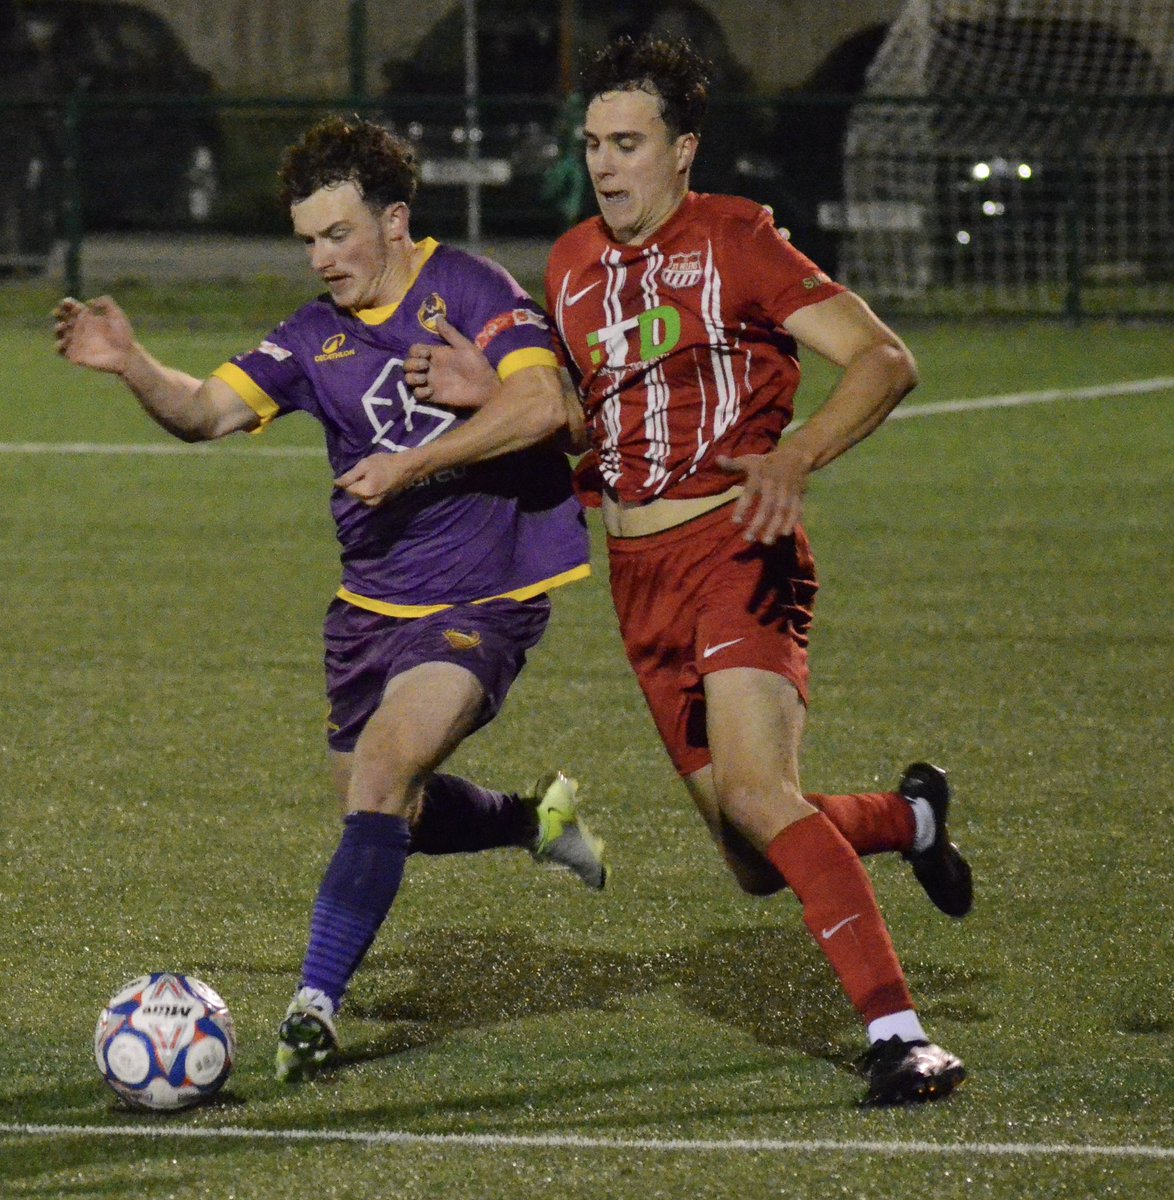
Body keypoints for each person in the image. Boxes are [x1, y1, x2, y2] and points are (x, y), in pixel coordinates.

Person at [402, 37, 973, 1106]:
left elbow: (884, 358)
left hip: (734, 548)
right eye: (592, 145)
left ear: (683, 151)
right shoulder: (571, 263)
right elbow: (588, 412)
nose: (607, 165)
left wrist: (796, 453)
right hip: (637, 580)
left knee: (760, 793)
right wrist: (494, 392)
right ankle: (911, 821)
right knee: (755, 855)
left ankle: (899, 1037)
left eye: (628, 144)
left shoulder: (736, 242)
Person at [51, 115, 608, 1083]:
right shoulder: (315, 337)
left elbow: (542, 404)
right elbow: (204, 412)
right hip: (368, 611)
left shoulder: (468, 287)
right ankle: (533, 821)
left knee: (385, 771)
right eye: (307, 239)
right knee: (387, 805)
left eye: (338, 235)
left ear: (395, 220)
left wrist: (415, 463)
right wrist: (131, 364)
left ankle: (314, 1007)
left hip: (486, 590)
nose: (320, 258)